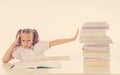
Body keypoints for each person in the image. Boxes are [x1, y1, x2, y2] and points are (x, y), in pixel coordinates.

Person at [2, 28, 79, 63]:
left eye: (28, 40)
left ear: (32, 40)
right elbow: (4, 60)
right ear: (19, 40)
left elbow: (55, 42)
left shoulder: (39, 46)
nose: (25, 43)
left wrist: (72, 39)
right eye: (23, 40)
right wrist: (13, 44)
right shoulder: (19, 50)